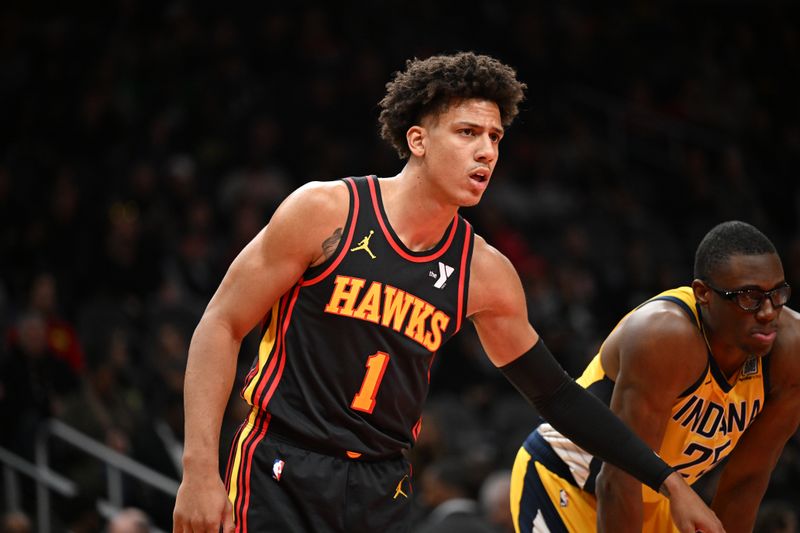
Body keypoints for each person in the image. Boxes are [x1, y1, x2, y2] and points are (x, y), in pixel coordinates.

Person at [172, 51, 723, 533]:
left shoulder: (484, 271)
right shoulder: (326, 211)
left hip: (382, 483)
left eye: (495, 137)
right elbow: (220, 324)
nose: (486, 151)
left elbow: (555, 395)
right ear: (418, 140)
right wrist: (199, 467)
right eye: (467, 133)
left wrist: (668, 479)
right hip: (281, 463)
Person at [510, 220, 800, 533]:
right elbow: (618, 479)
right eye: (749, 297)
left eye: (777, 293)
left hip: (658, 500)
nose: (769, 311)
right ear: (703, 293)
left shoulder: (790, 350)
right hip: (569, 482)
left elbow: (746, 481)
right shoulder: (664, 337)